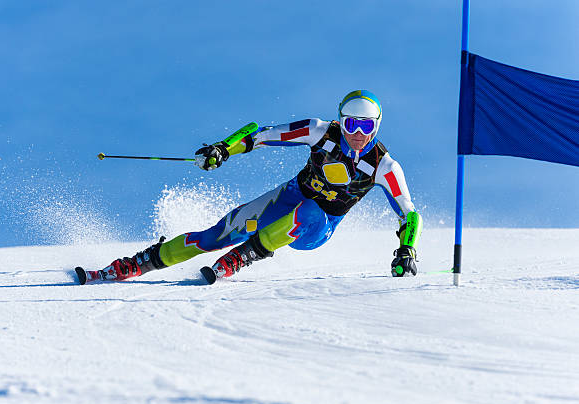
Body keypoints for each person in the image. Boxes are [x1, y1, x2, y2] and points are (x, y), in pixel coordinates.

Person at [79, 90, 423, 284]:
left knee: (312, 212)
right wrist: (224, 148)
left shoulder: (384, 166)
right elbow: (263, 135)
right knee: (216, 234)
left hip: (319, 226)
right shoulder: (320, 131)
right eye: (351, 123)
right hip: (288, 198)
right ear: (341, 120)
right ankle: (138, 263)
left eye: (365, 125)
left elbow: (409, 214)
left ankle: (245, 256)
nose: (357, 133)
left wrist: (406, 250)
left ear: (376, 125)